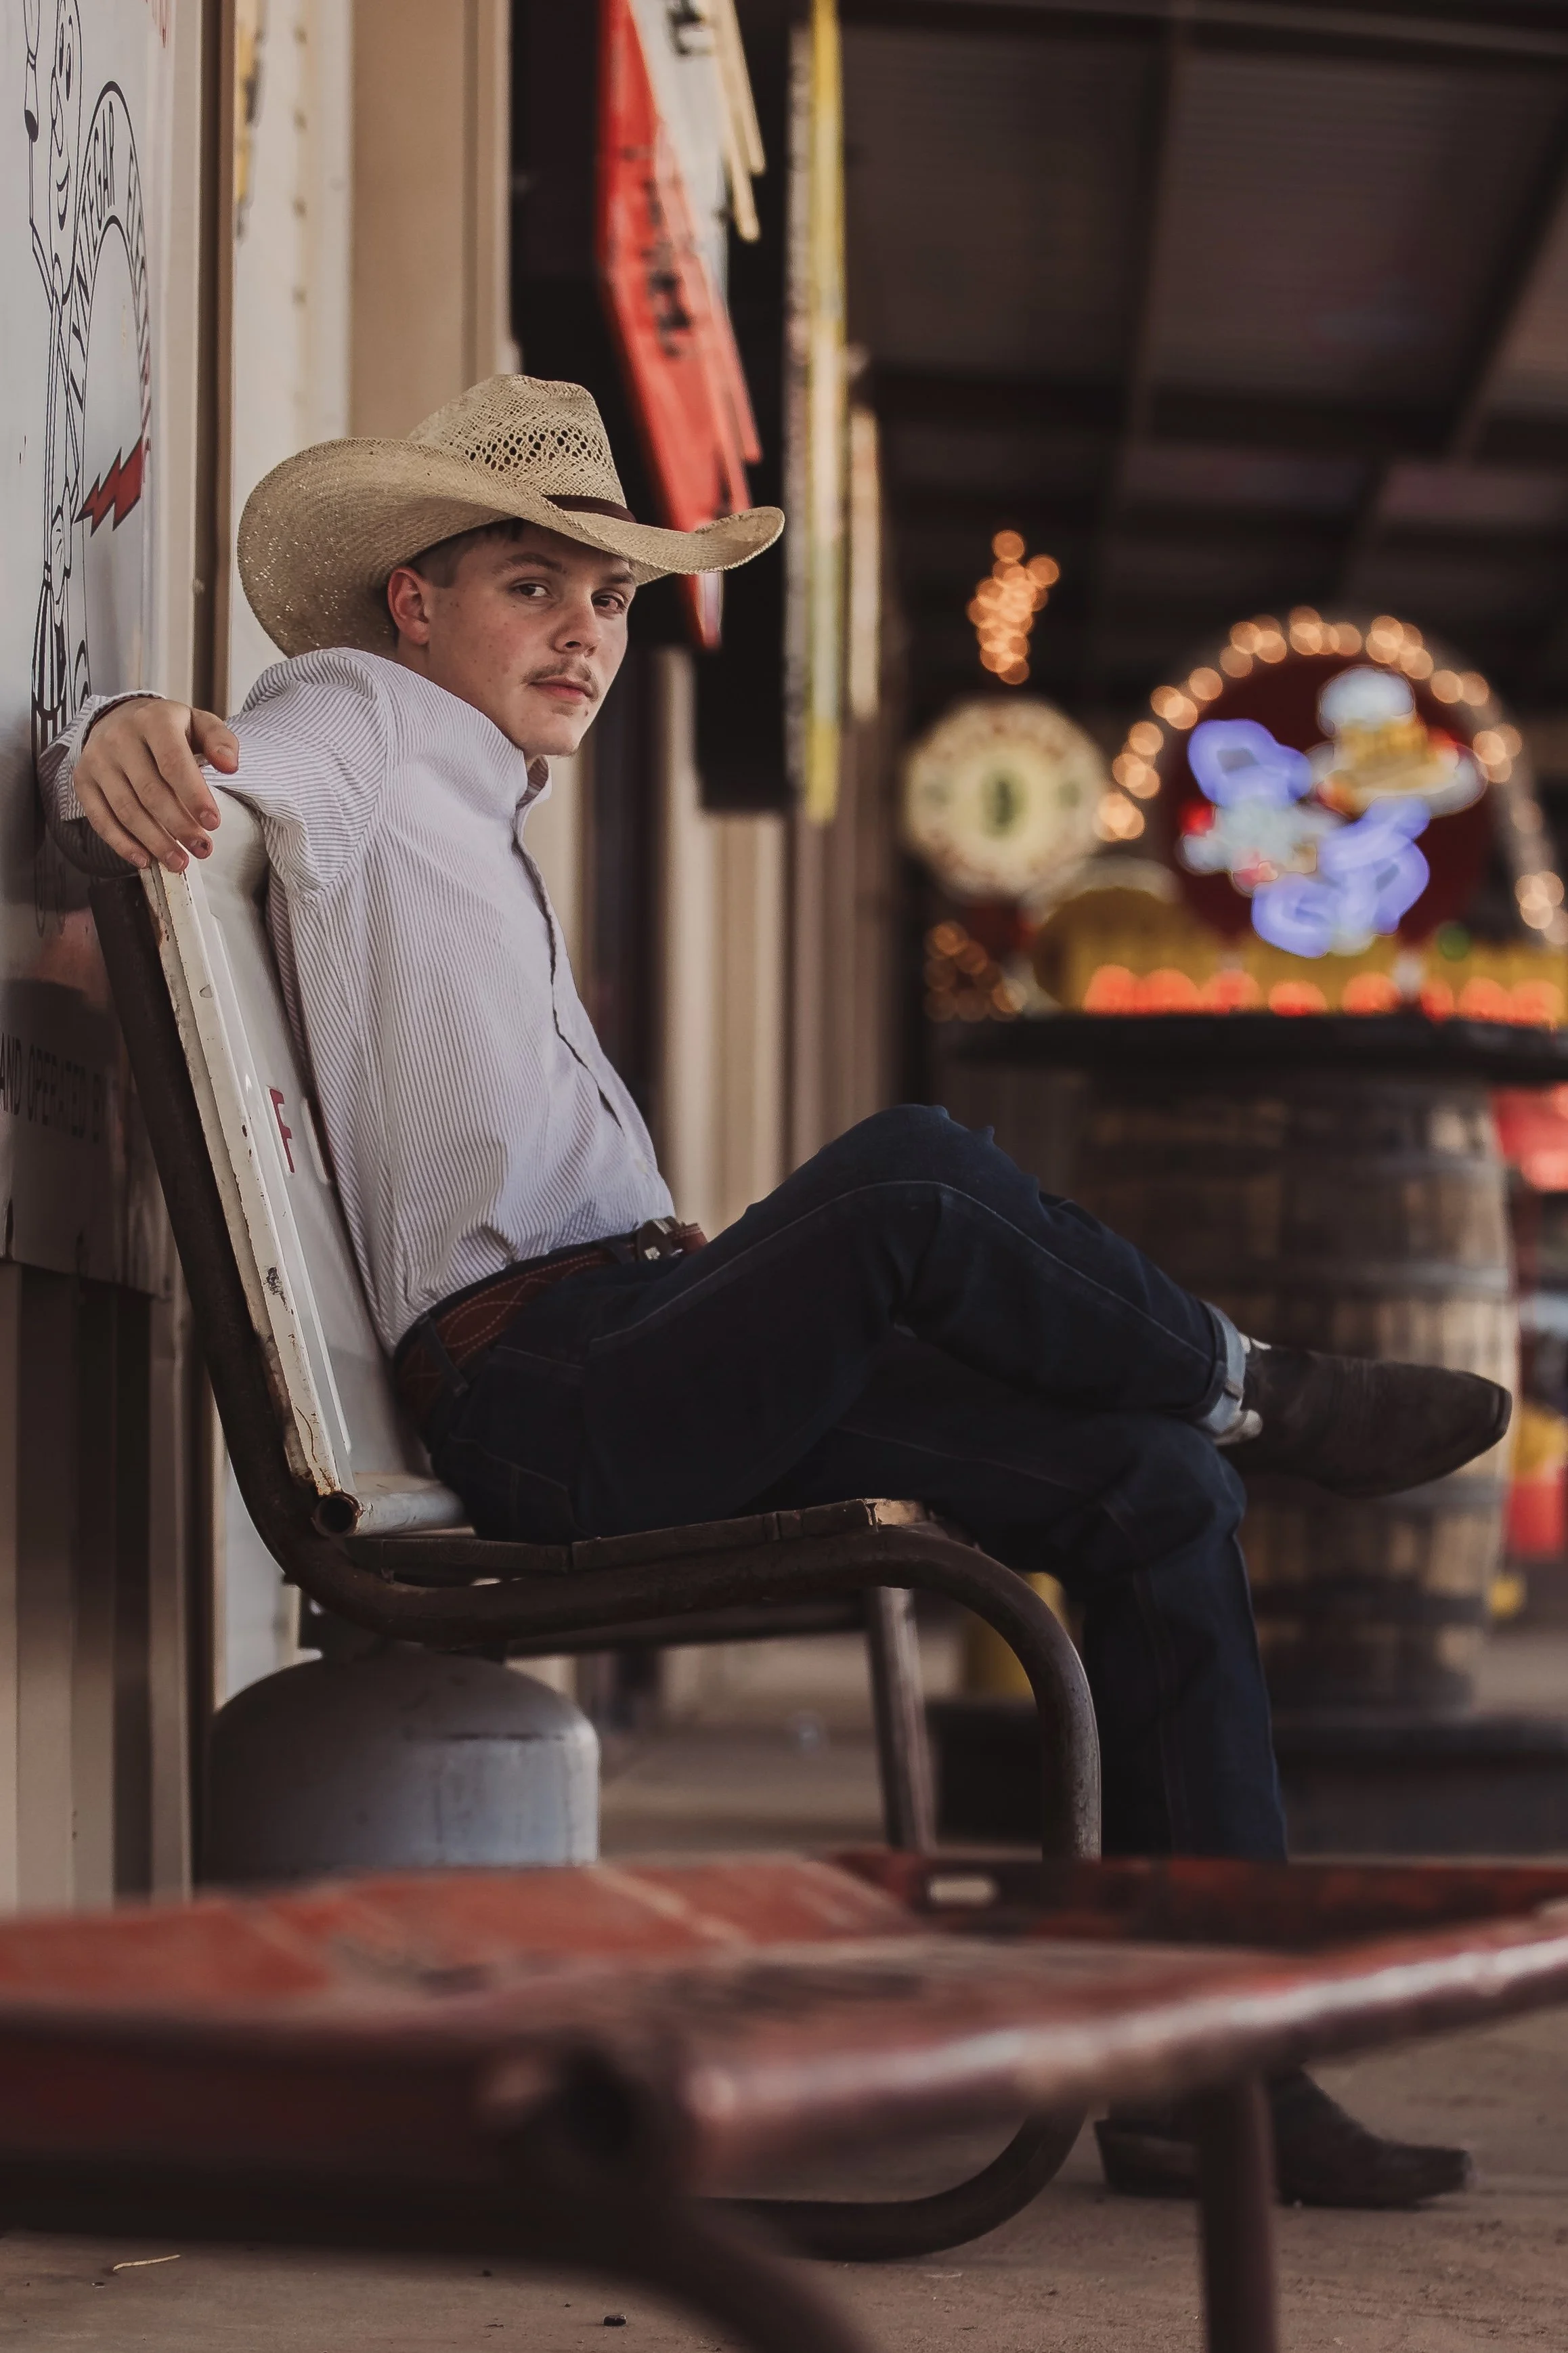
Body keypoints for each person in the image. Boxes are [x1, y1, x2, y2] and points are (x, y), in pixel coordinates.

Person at [39, 374, 1508, 2208]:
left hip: (630, 1348)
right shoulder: (360, 720)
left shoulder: (475, 801)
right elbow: (214, 763)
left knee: (1154, 1493)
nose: (584, 635)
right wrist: (121, 730)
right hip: (546, 1396)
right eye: (531, 587)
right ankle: (1259, 1385)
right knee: (910, 1177)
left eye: (609, 599)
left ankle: (1217, 2076)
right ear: (412, 601)